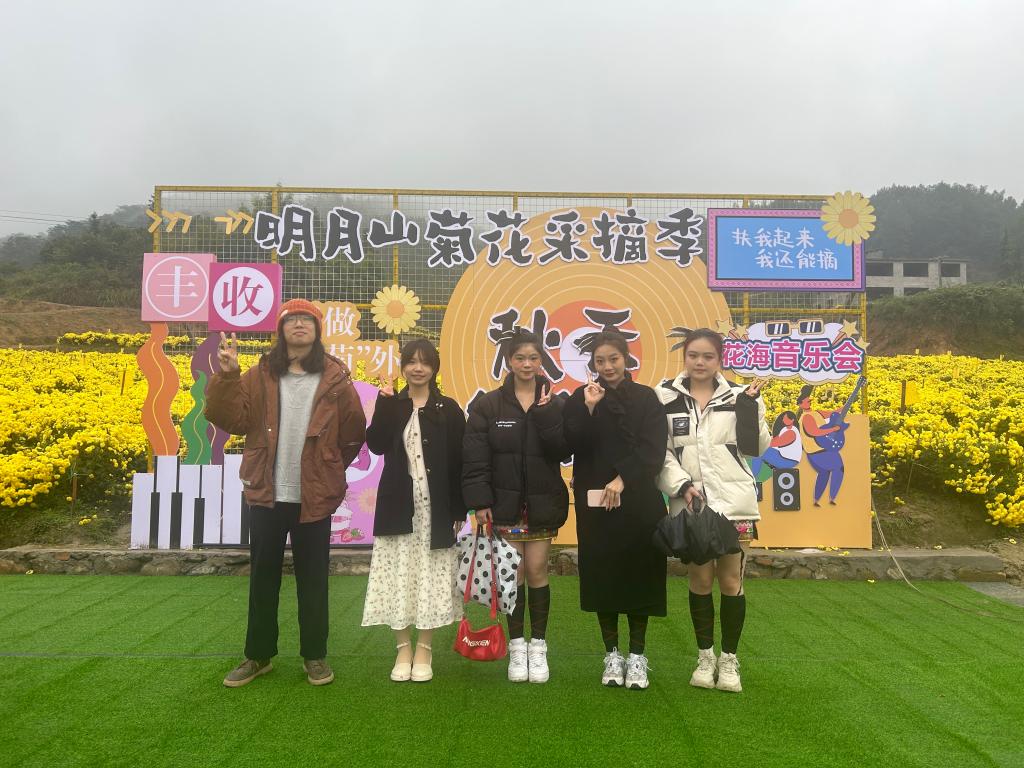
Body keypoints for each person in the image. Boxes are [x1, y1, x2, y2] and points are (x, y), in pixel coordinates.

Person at [206, 299, 366, 688]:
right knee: (262, 579)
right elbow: (232, 419)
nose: (298, 325)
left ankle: (315, 656)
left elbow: (353, 432)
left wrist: (327, 467)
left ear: (317, 330)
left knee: (314, 581)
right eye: (291, 320)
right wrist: (227, 377)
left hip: (314, 497)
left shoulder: (335, 379)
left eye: (306, 320)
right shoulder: (259, 375)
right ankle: (258, 655)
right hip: (267, 492)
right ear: (280, 330)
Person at [655, 328, 770, 694]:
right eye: (693, 355)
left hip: (734, 506)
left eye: (708, 356)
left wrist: (750, 408)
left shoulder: (741, 395)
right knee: (700, 581)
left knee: (731, 582)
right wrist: (681, 486)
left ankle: (729, 660)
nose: (700, 362)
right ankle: (705, 658)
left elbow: (756, 448)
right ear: (684, 357)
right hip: (692, 506)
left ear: (720, 360)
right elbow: (660, 452)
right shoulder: (664, 396)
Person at [462, 330, 571, 683]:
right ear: (509, 361)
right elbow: (475, 458)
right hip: (503, 504)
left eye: (533, 358)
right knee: (515, 573)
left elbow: (562, 451)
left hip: (542, 502)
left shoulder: (556, 403)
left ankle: (538, 646)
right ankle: (517, 647)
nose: (527, 364)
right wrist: (480, 502)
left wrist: (546, 414)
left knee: (537, 570)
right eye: (520, 358)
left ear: (541, 361)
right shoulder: (488, 405)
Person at [563, 331, 668, 690]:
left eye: (614, 359)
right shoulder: (583, 396)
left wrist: (623, 479)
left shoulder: (646, 398)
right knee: (602, 576)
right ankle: (612, 654)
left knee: (640, 574)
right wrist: (589, 409)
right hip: (596, 506)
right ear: (592, 364)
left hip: (639, 502)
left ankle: (637, 656)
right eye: (600, 361)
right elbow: (570, 444)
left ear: (626, 358)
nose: (607, 367)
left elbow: (654, 450)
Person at [361, 339, 467, 683]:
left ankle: (424, 648)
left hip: (435, 510)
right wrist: (384, 401)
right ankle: (402, 649)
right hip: (397, 507)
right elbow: (376, 444)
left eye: (425, 362)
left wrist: (459, 509)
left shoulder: (448, 409)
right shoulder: (393, 404)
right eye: (411, 362)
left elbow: (459, 462)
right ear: (403, 367)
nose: (418, 368)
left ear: (434, 368)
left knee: (430, 576)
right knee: (398, 576)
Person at [797, 386, 845, 505]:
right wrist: (833, 429)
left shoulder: (816, 413)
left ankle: (817, 500)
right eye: (806, 401)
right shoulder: (805, 417)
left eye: (809, 400)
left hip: (822, 449)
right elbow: (814, 432)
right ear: (801, 404)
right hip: (817, 451)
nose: (809, 401)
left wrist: (845, 407)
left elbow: (832, 413)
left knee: (824, 473)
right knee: (838, 468)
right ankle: (832, 498)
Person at [749, 410, 802, 478]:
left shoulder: (792, 432)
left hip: (789, 460)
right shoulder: (785, 429)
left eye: (785, 418)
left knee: (759, 452)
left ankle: (753, 478)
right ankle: (754, 476)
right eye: (783, 418)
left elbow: (775, 443)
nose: (783, 420)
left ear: (792, 420)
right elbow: (775, 439)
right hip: (783, 456)